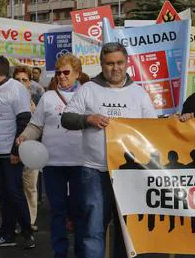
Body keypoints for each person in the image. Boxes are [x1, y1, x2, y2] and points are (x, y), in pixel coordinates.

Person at [61, 42, 157, 258]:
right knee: (93, 229)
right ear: (102, 64)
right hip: (95, 171)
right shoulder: (88, 89)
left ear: (127, 63)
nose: (115, 68)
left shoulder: (138, 93)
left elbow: (153, 128)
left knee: (127, 231)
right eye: (110, 63)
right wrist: (87, 119)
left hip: (128, 173)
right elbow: (66, 118)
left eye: (120, 63)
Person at [18, 54, 89, 258]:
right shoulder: (48, 97)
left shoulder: (86, 95)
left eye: (66, 72)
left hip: (80, 163)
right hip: (53, 164)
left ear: (77, 73)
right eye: (58, 73)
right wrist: (24, 137)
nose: (62, 76)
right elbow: (36, 125)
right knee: (57, 212)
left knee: (78, 213)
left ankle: (82, 253)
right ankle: (60, 253)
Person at [0, 56, 35, 249]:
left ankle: (27, 232)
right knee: (2, 196)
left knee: (14, 193)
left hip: (9, 152)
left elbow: (24, 120)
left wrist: (16, 150)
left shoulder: (15, 89)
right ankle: (7, 233)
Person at [13, 66, 40, 232]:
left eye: (24, 79)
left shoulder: (37, 100)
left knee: (30, 187)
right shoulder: (8, 99)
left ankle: (29, 221)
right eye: (17, 79)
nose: (21, 83)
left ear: (30, 82)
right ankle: (16, 221)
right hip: (13, 150)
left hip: (32, 150)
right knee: (14, 188)